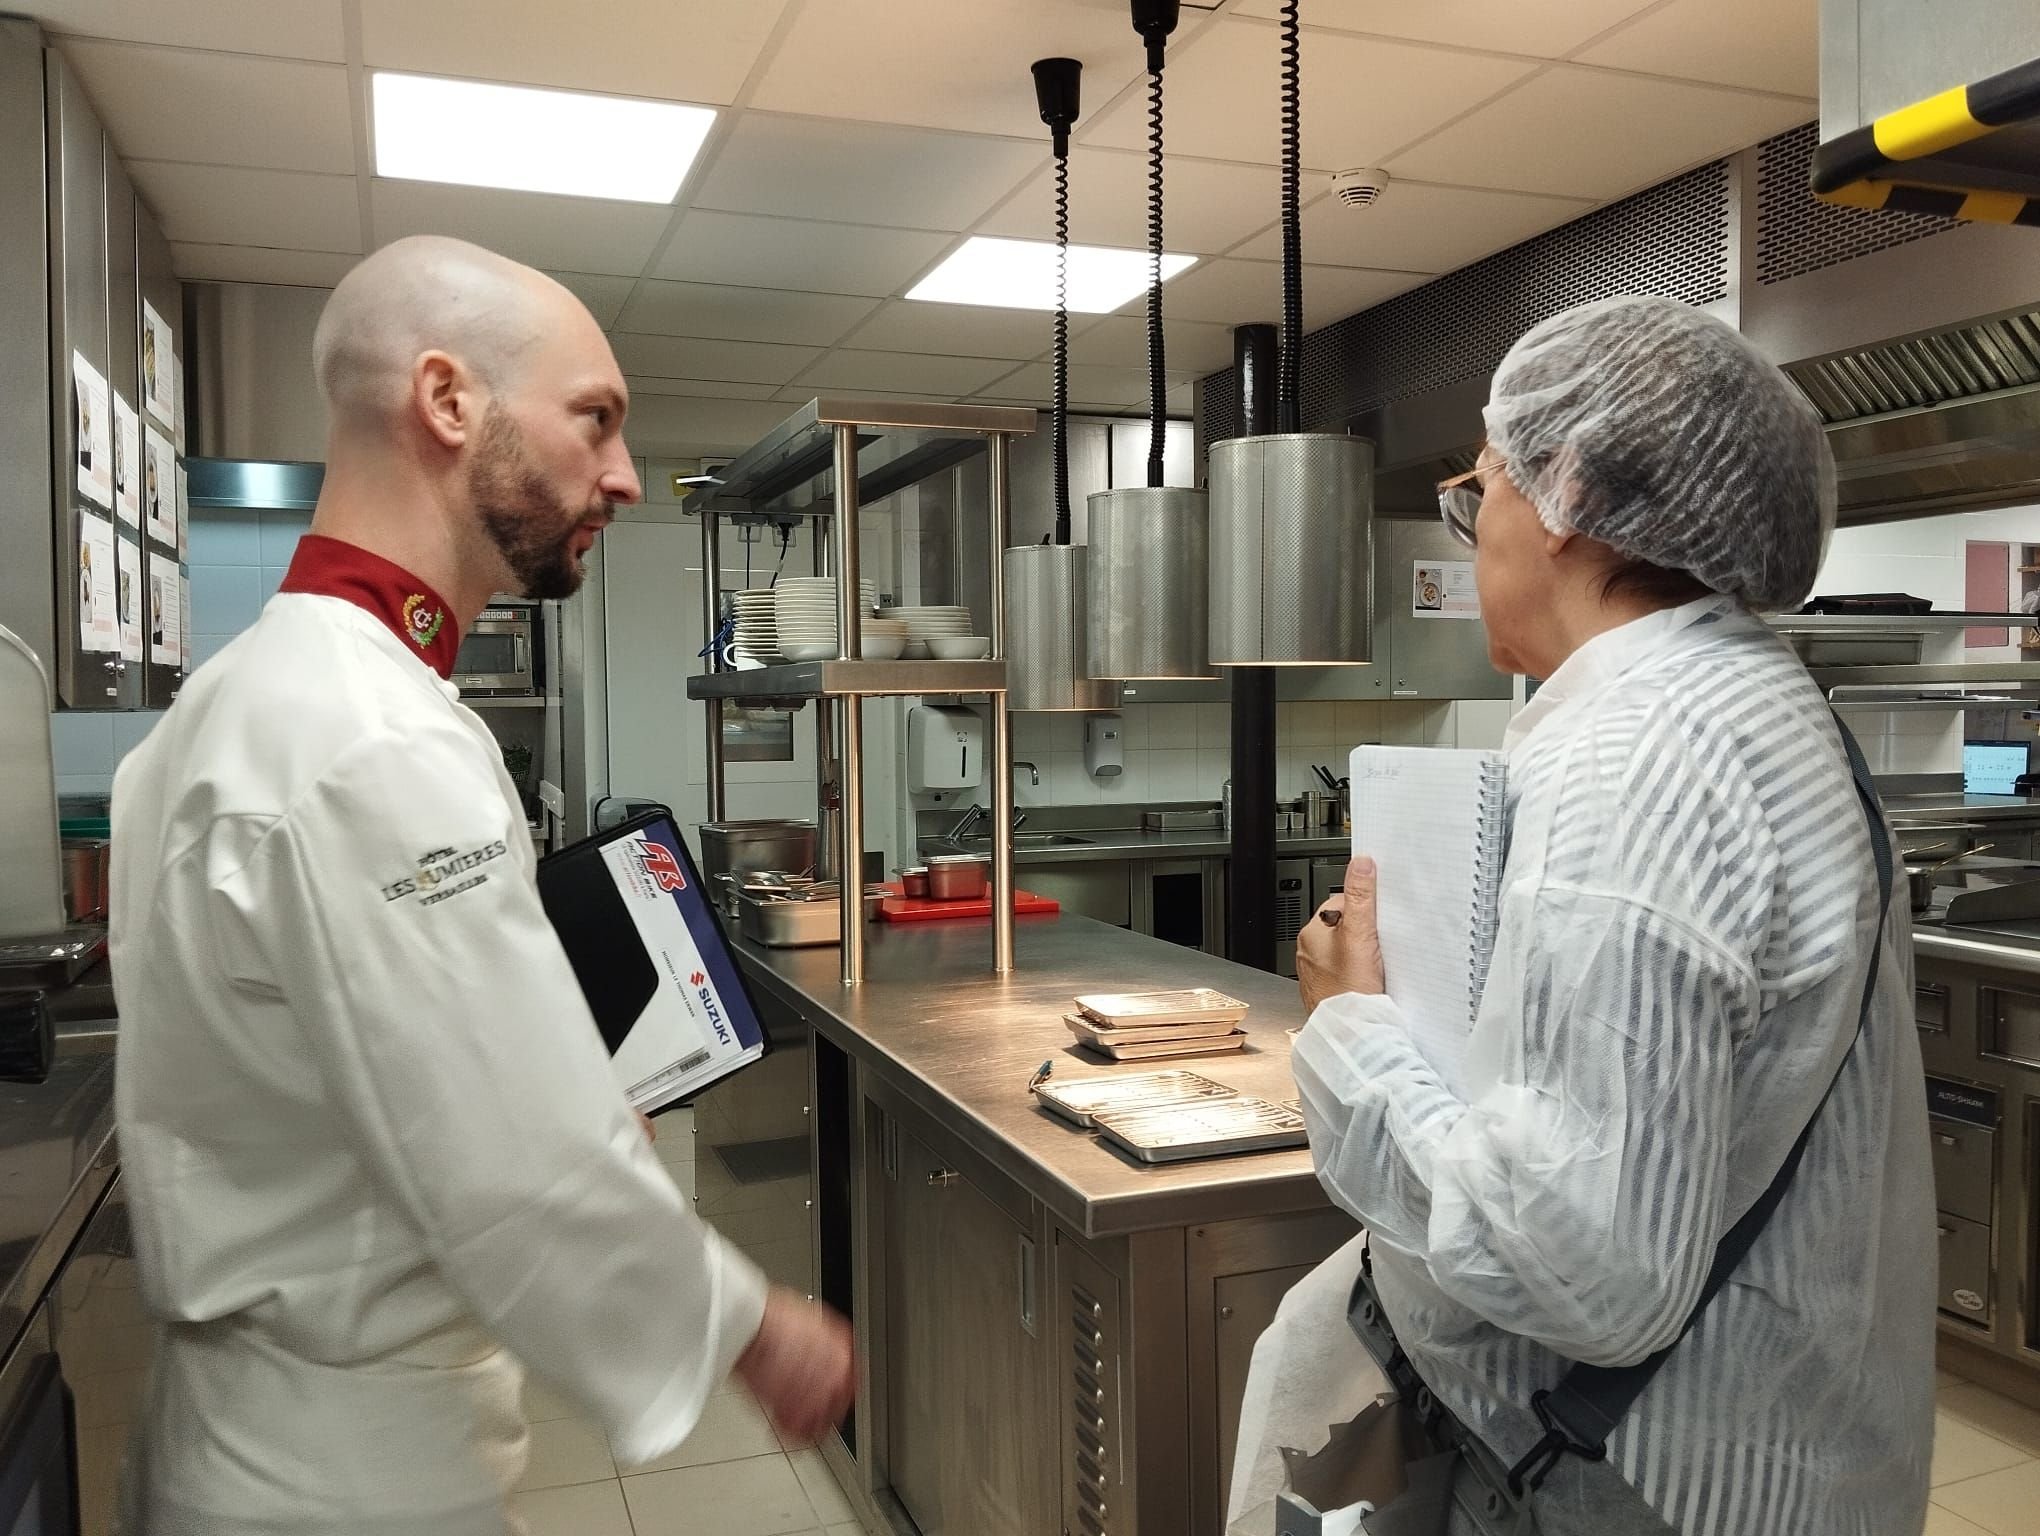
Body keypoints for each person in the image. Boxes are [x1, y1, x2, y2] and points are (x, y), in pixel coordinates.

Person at [108, 236, 855, 1536]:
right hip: (349, 1478)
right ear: (449, 402)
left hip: (254, 1440)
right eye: (597, 420)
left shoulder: (231, 700)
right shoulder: (373, 738)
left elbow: (376, 1082)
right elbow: (517, 1172)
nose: (623, 476)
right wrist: (751, 1326)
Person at [1292, 296, 1934, 1536]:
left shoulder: (1640, 757)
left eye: (1482, 496)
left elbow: (1581, 1263)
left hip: (1650, 1479)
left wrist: (1353, 1031)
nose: (1476, 536)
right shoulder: (1747, 705)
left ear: (1569, 492)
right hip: (1771, 1451)